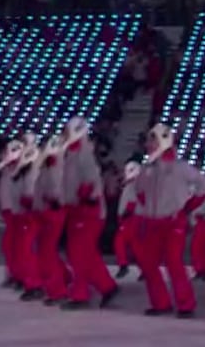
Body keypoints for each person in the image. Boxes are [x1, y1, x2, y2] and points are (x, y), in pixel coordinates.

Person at [136, 123, 205, 318]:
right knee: (149, 263)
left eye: (153, 140)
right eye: (149, 140)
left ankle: (186, 304)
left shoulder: (180, 167)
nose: (149, 144)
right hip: (153, 222)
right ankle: (160, 303)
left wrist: (188, 207)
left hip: (172, 221)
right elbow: (139, 191)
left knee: (174, 263)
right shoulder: (147, 169)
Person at [59, 117, 119, 309]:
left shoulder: (83, 154)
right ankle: (106, 286)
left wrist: (83, 196)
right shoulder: (72, 154)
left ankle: (81, 295)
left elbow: (91, 181)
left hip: (87, 211)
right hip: (78, 210)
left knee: (78, 253)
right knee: (85, 253)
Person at [34, 133, 72, 305]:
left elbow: (56, 190)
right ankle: (62, 278)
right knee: (46, 249)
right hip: (46, 210)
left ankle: (58, 290)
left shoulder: (57, 166)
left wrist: (52, 201)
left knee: (47, 251)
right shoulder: (48, 165)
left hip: (53, 210)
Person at [9, 134, 42, 299]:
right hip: (27, 206)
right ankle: (30, 279)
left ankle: (34, 283)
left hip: (32, 206)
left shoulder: (32, 156)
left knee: (28, 247)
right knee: (27, 246)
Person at [0, 136, 28, 290]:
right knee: (10, 245)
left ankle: (21, 276)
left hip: (18, 210)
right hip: (9, 209)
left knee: (19, 246)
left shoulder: (22, 168)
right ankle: (14, 274)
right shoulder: (7, 167)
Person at [115, 161, 142, 279]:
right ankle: (145, 269)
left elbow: (131, 202)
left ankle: (123, 265)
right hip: (131, 218)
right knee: (135, 246)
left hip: (129, 219)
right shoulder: (133, 185)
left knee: (120, 241)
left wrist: (125, 215)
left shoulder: (134, 185)